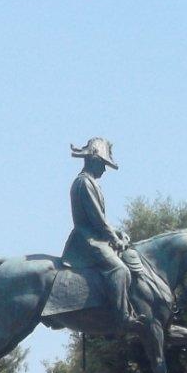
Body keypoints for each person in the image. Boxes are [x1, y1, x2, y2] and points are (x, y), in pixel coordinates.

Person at [64, 138, 145, 323]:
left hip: (95, 237)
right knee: (120, 270)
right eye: (103, 163)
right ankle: (121, 316)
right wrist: (114, 238)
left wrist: (117, 232)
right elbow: (97, 220)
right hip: (88, 240)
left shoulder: (90, 182)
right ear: (94, 160)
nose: (104, 169)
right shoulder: (84, 183)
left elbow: (100, 221)